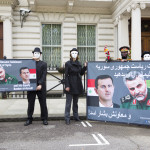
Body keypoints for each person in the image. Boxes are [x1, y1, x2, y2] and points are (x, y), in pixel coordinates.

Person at [24, 47, 48, 126]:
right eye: (35, 53)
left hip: (41, 86)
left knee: (43, 103)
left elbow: (44, 75)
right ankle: (29, 118)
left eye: (38, 53)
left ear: (40, 55)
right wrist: (31, 61)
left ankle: (44, 118)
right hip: (31, 86)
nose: (36, 54)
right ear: (33, 54)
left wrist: (40, 84)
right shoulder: (29, 63)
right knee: (31, 103)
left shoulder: (43, 64)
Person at [65, 48, 87, 125]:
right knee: (68, 103)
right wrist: (67, 85)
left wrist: (84, 67)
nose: (74, 54)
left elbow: (81, 73)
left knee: (75, 102)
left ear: (77, 54)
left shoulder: (79, 63)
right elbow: (66, 75)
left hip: (77, 83)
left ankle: (76, 116)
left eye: (76, 53)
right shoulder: (68, 63)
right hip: (70, 83)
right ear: (70, 54)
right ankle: (67, 118)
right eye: (73, 53)